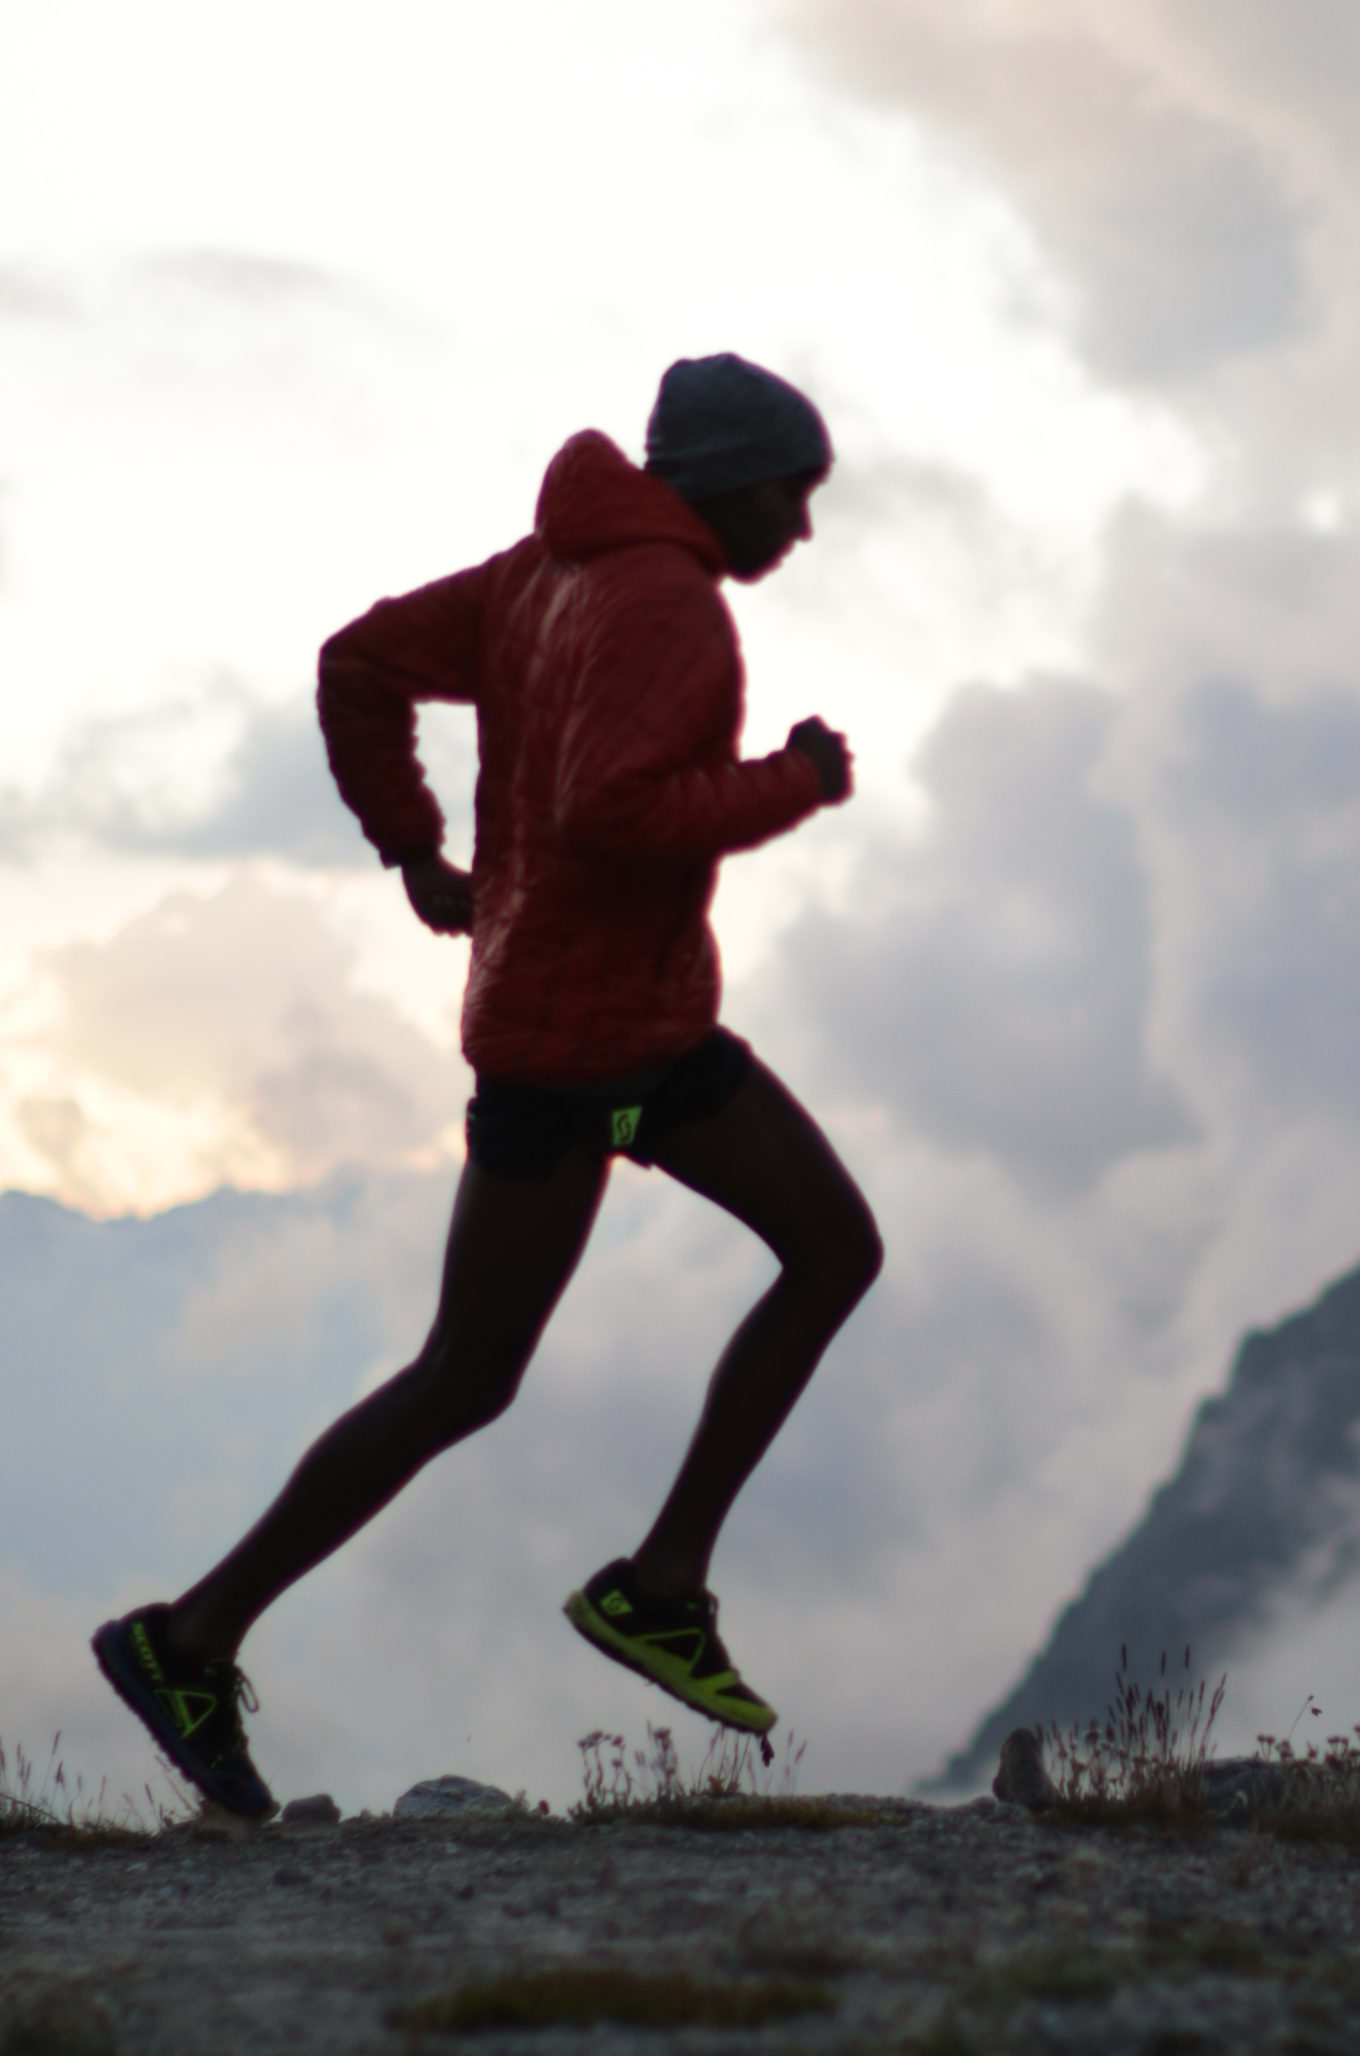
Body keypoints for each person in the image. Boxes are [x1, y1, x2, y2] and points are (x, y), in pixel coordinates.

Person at [90, 352, 879, 1822]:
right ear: (728, 481)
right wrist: (794, 780)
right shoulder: (669, 604)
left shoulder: (540, 573)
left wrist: (413, 851)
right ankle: (645, 1589)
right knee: (822, 1255)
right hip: (616, 1050)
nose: (803, 525)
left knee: (472, 1370)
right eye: (793, 491)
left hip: (559, 1030)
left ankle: (199, 1638)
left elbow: (358, 662)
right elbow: (613, 809)